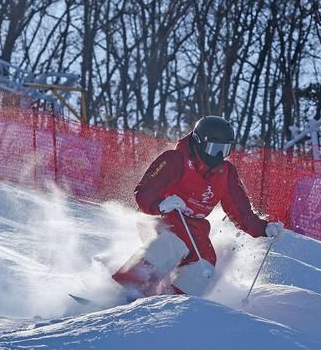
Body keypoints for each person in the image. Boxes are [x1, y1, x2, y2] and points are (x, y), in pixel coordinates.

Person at [112, 115, 283, 298]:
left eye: (224, 150)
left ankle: (173, 303)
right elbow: (144, 191)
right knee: (175, 241)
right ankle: (128, 285)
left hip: (194, 228)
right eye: (213, 149)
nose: (218, 156)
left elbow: (241, 212)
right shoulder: (175, 160)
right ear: (198, 143)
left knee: (205, 263)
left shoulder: (225, 173)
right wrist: (160, 204)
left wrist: (264, 228)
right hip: (160, 216)